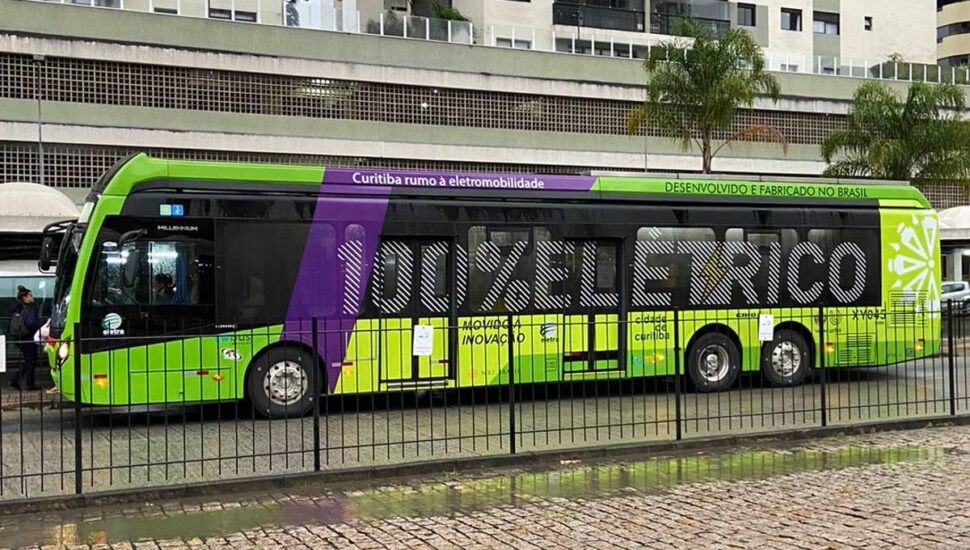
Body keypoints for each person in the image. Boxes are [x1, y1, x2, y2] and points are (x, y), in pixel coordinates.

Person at [9, 286, 43, 391]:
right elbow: (31, 323)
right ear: (25, 297)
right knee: (31, 360)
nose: (33, 297)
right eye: (31, 295)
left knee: (28, 360)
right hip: (29, 337)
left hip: (21, 337)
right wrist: (41, 324)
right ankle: (29, 383)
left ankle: (17, 380)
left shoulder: (19, 308)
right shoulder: (30, 309)